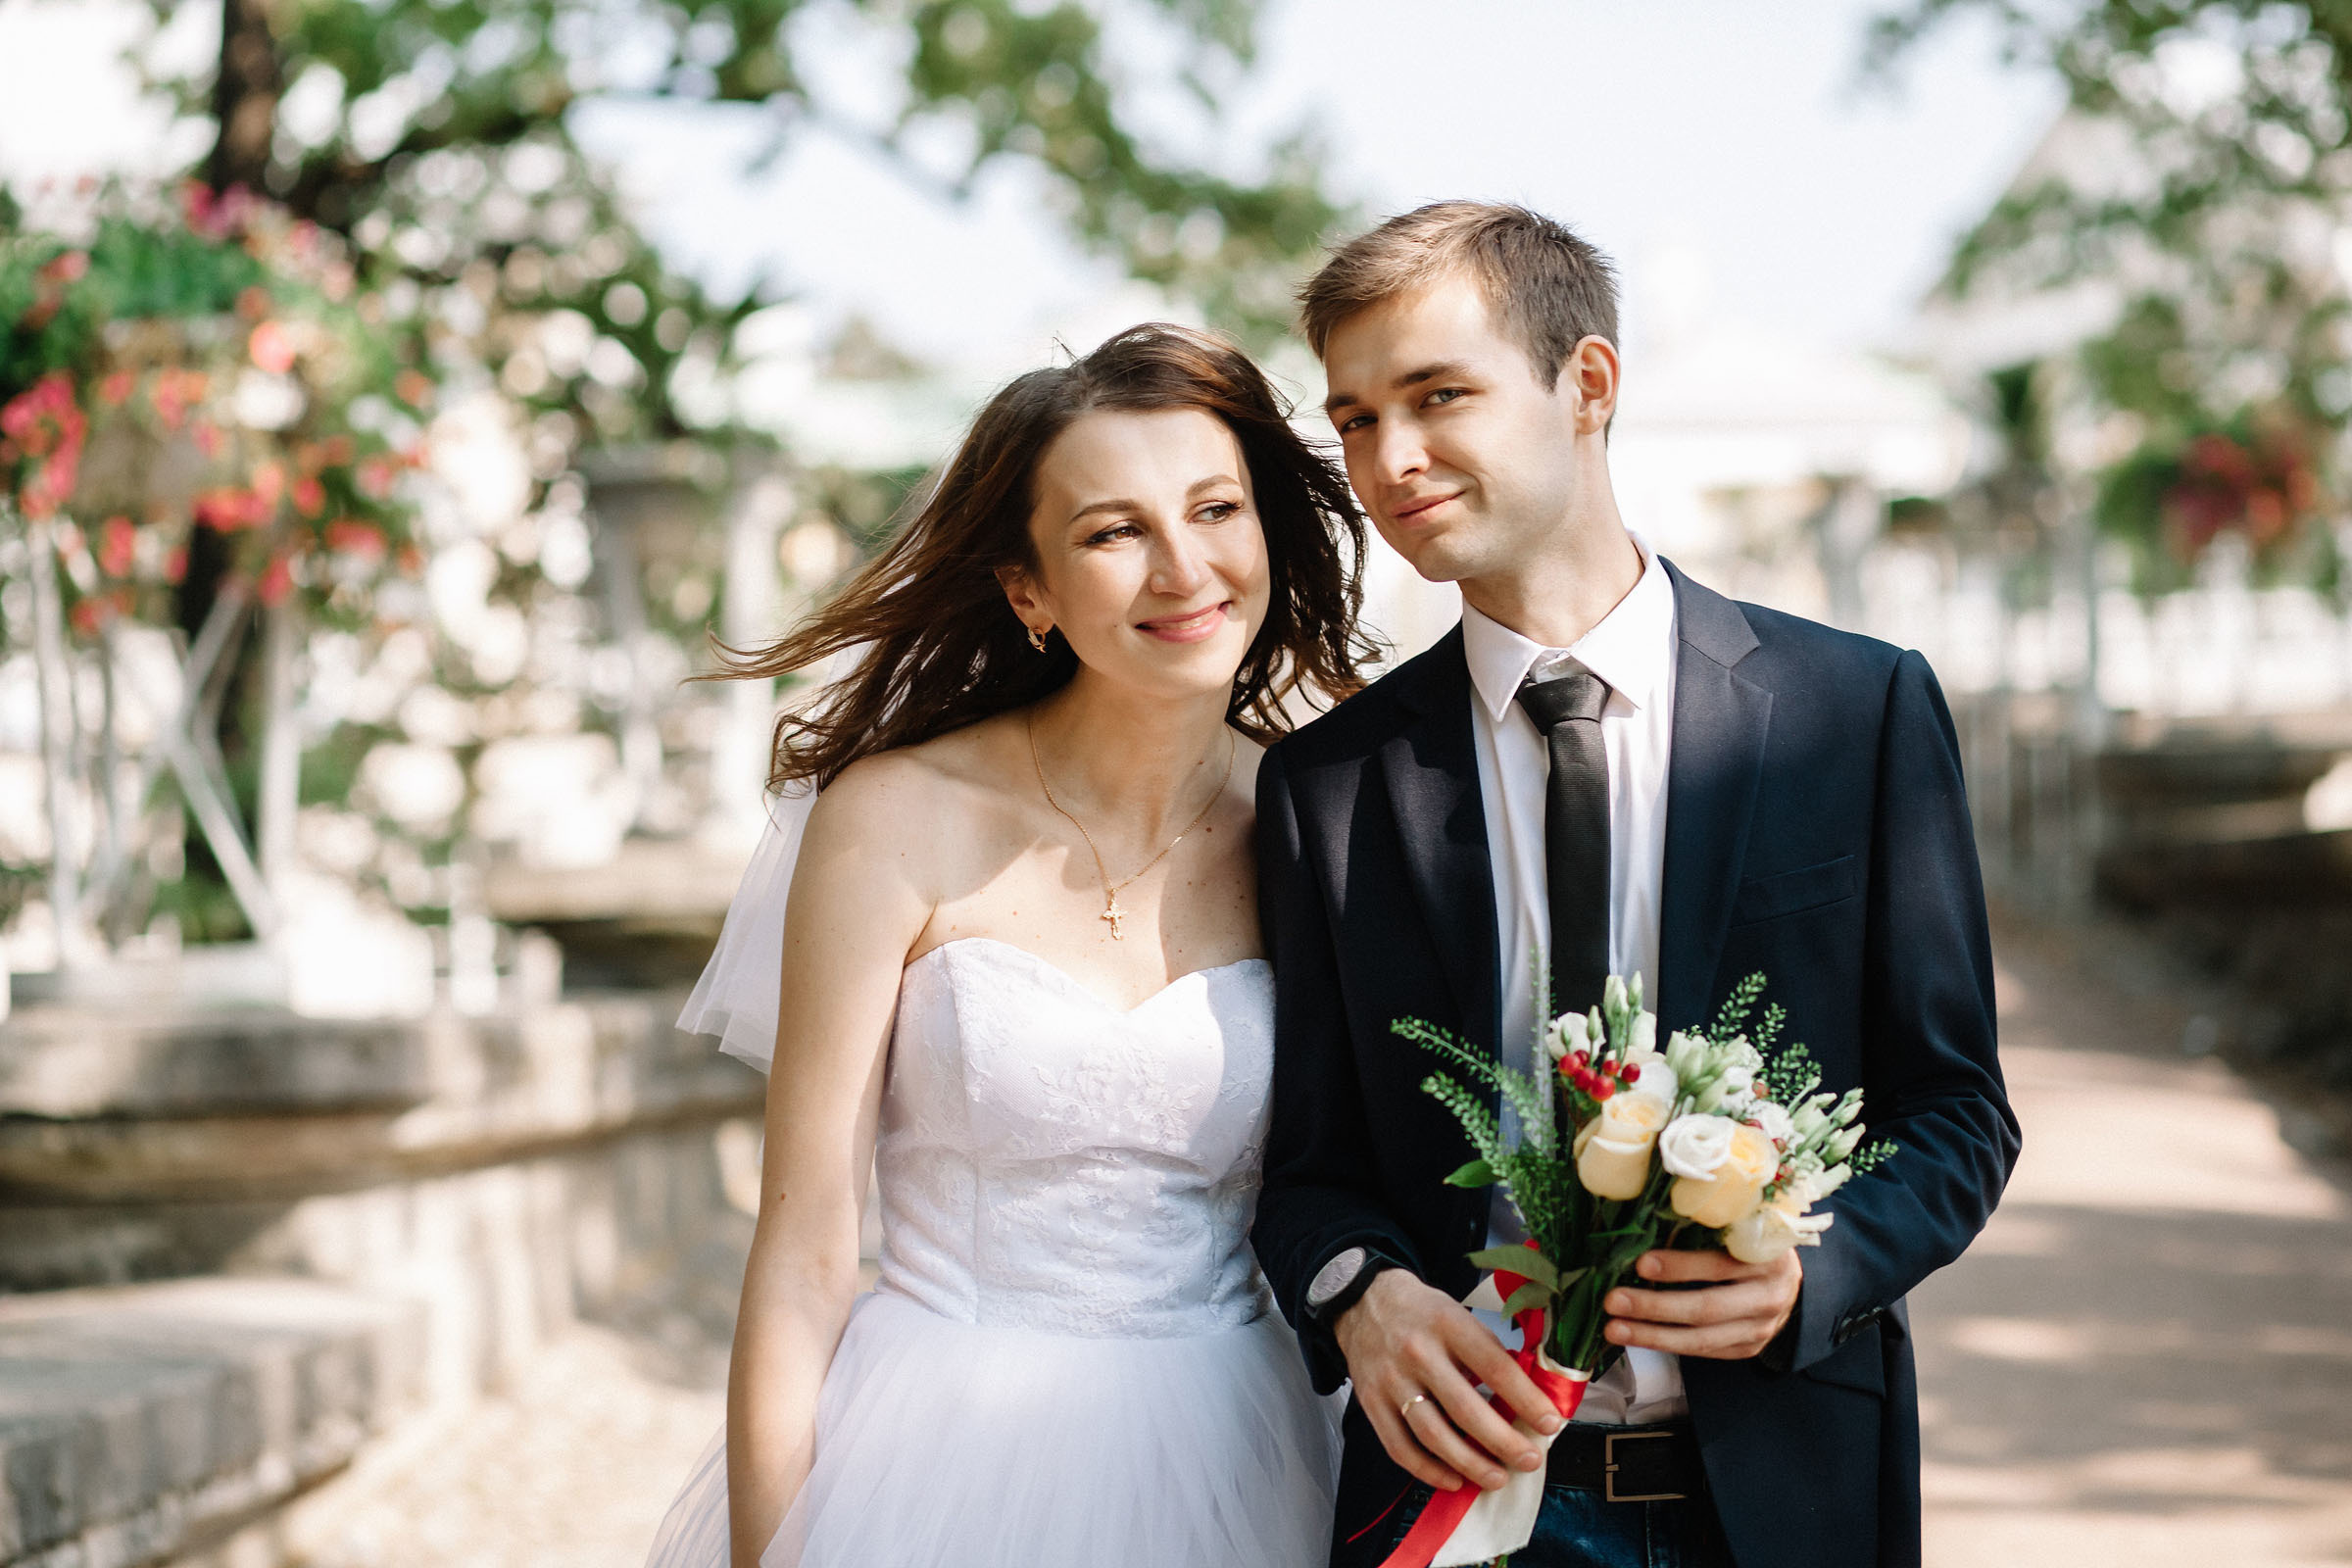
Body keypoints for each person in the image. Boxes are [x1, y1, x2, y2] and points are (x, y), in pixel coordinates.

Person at [1250, 202, 2021, 1568]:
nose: (1388, 458)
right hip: (1468, 1506)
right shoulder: (1330, 784)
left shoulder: (1856, 711)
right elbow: (1308, 1168)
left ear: (1588, 384)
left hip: (1787, 1491)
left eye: (1438, 396)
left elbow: (1958, 1112)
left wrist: (1816, 1270)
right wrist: (1359, 1295)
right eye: (1355, 419)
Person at [644, 322, 1378, 1568]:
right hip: (936, 1453)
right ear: (1028, 589)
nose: (1183, 567)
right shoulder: (895, 817)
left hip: (1245, 1458)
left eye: (1216, 509)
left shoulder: (1320, 826)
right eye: (1113, 531)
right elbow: (806, 1254)